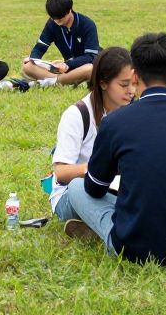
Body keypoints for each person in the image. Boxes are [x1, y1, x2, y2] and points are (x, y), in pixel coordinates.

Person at [63, 32, 166, 264]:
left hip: (135, 247)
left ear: (136, 77)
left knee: (77, 187)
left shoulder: (115, 123)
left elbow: (94, 188)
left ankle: (104, 231)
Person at [50, 46, 135, 222]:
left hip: (117, 189)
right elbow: (61, 172)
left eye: (135, 83)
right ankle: (112, 223)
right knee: (78, 189)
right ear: (103, 83)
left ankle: (96, 223)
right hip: (75, 194)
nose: (132, 91)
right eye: (124, 84)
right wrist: (99, 169)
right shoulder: (77, 114)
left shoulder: (135, 111)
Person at [22, 0, 100, 87]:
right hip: (64, 70)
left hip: (82, 66)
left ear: (69, 10)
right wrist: (33, 59)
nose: (57, 21)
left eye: (60, 18)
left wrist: (68, 64)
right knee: (27, 67)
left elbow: (91, 57)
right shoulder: (52, 23)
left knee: (90, 69)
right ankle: (63, 82)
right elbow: (40, 47)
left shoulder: (87, 24)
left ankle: (53, 81)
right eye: (53, 18)